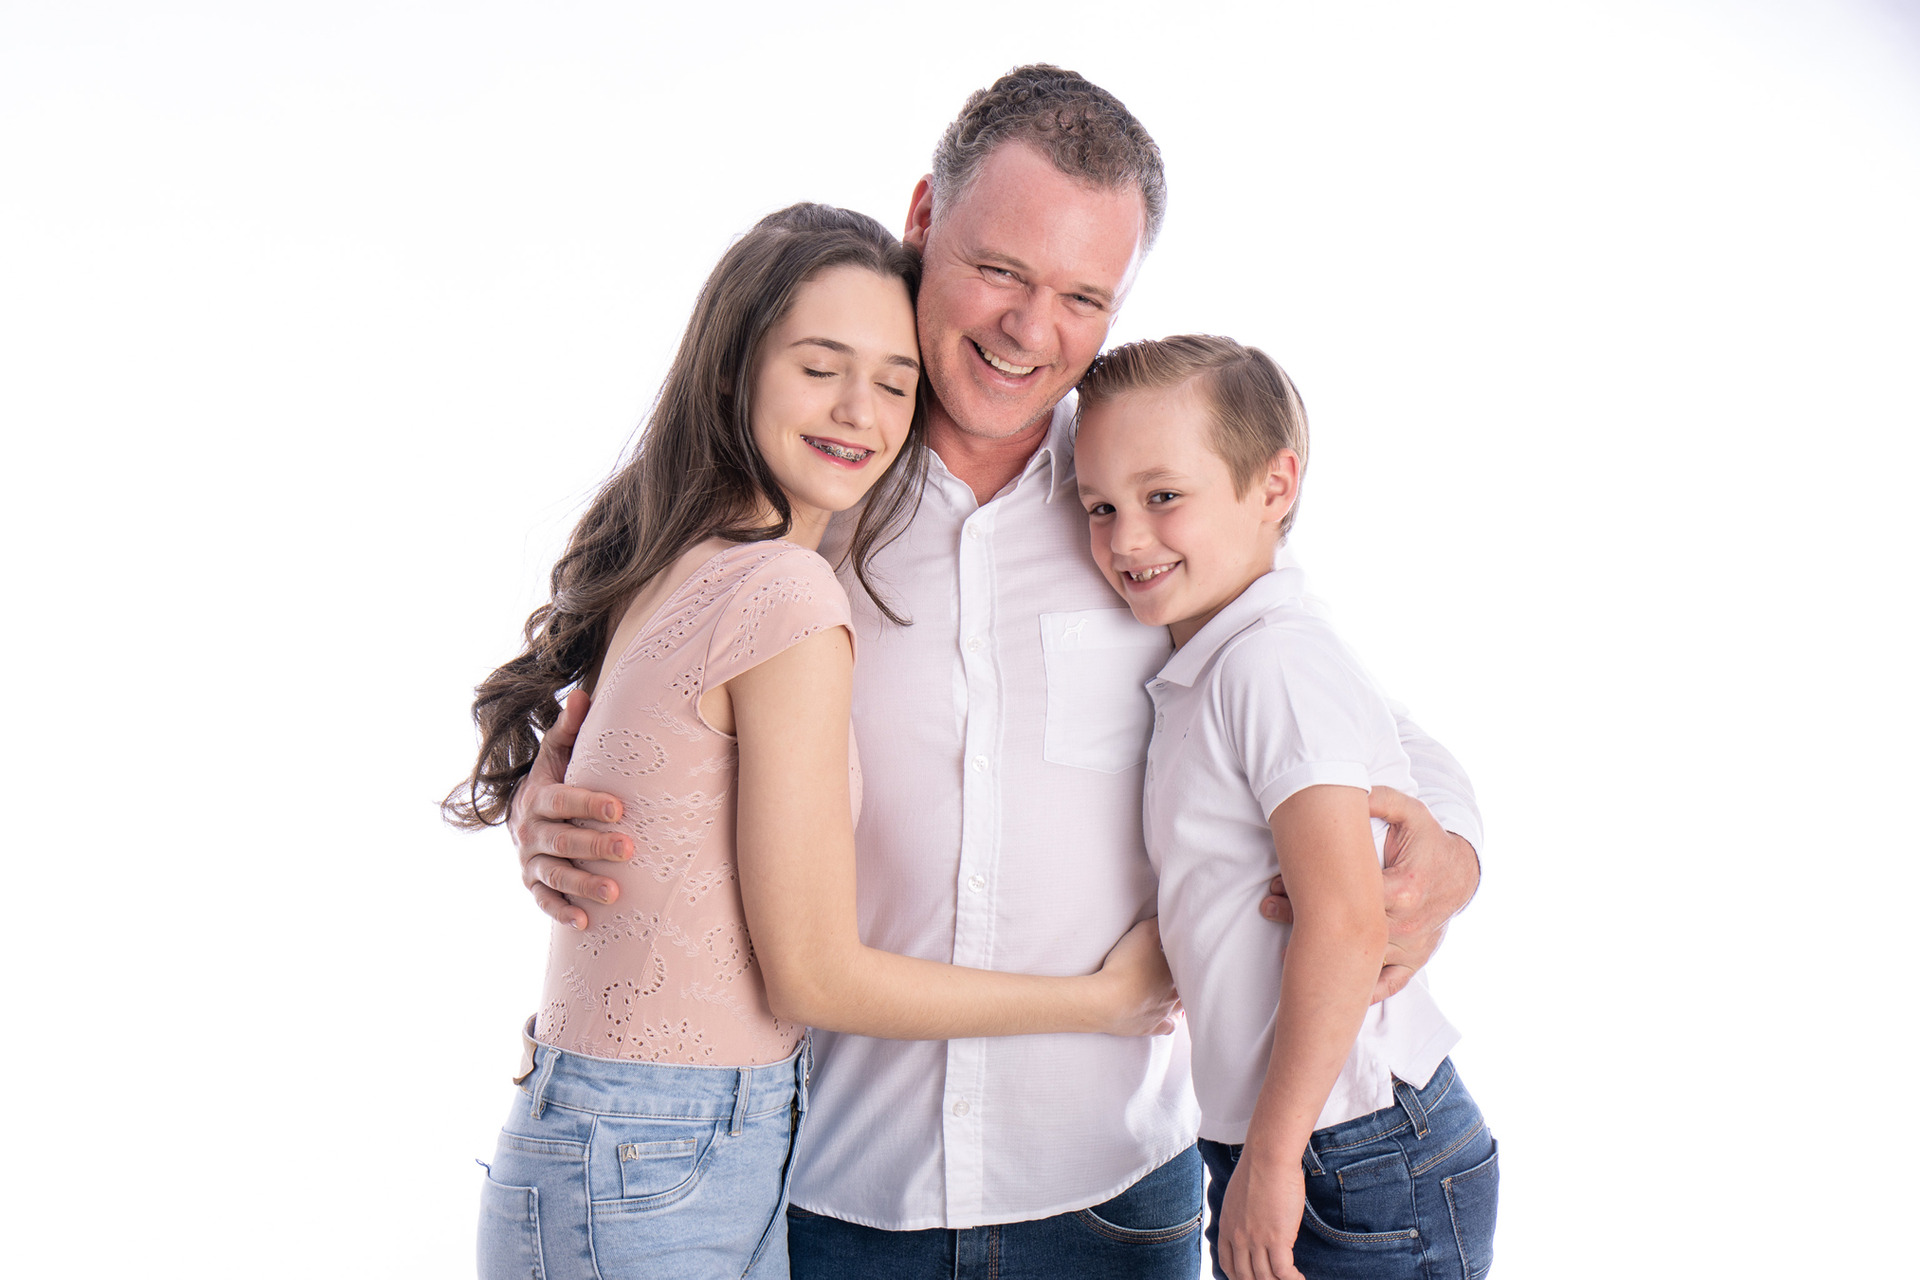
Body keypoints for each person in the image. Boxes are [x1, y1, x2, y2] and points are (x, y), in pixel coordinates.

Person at [510, 67, 1485, 1279]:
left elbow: (1337, 703)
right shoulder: (809, 490)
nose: (1031, 328)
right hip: (838, 1193)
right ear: (924, 217)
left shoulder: (1145, 513)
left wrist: (1453, 847)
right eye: (1000, 271)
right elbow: (641, 707)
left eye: (1083, 296)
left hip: (1111, 1193)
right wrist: (551, 806)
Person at [447, 202, 1179, 1280]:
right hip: (691, 1154)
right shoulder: (784, 581)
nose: (859, 411)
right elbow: (813, 974)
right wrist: (1103, 1001)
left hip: (658, 1137)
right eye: (821, 368)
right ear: (734, 371)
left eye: (892, 382)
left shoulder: (699, 553)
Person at [1074, 336, 1497, 1280]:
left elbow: (1343, 922)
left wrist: (1271, 1159)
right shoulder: (1228, 655)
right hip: (1303, 1135)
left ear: (1274, 486)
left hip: (1351, 1145)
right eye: (1101, 507)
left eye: (1162, 496)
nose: (1127, 539)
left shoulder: (1271, 661)